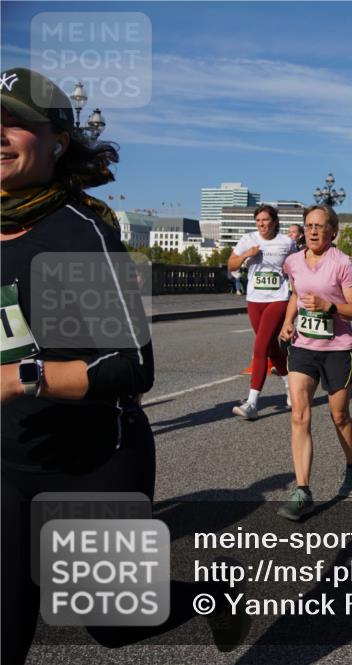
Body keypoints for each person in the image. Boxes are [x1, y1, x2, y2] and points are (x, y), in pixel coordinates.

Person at [1, 67, 155, 664]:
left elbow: (131, 366)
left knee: (110, 625)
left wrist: (22, 378)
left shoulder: (74, 233)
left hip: (91, 461)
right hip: (10, 462)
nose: (1, 134)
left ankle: (210, 598)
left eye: (16, 123)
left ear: (58, 142)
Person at [277, 205, 352, 520]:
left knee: (339, 415)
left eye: (320, 226)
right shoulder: (293, 262)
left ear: (332, 231)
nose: (313, 231)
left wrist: (330, 306)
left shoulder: (341, 263)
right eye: (309, 225)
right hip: (303, 346)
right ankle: (302, 490)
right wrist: (288, 322)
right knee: (299, 416)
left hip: (338, 349)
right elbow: (295, 294)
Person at [227, 204, 299, 419]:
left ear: (274, 221)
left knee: (259, 348)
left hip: (277, 299)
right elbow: (230, 265)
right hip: (254, 300)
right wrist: (246, 255)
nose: (261, 224)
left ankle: (252, 402)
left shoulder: (287, 243)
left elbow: (296, 269)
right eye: (258, 220)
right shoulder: (248, 239)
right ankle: (290, 388)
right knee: (270, 348)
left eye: (265, 220)